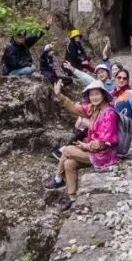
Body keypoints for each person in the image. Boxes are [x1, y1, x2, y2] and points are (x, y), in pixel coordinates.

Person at [45, 80, 121, 209]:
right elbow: (75, 108)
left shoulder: (109, 114)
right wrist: (60, 95)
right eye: (91, 94)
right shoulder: (94, 108)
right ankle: (72, 198)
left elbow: (105, 142)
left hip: (104, 155)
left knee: (67, 150)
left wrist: (87, 146)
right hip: (93, 151)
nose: (94, 97)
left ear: (103, 94)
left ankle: (58, 179)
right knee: (69, 164)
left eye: (97, 94)